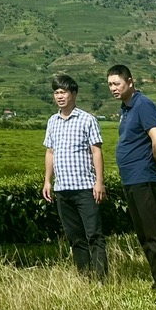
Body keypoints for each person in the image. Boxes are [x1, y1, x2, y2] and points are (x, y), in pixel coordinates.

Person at [107, 64, 156, 295]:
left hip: (143, 178)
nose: (113, 88)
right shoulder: (125, 108)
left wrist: (154, 164)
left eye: (117, 83)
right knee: (144, 234)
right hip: (131, 180)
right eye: (110, 84)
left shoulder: (143, 105)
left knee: (154, 233)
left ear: (130, 82)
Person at [42, 73, 107, 278]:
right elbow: (50, 152)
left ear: (74, 94)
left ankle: (100, 278)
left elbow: (96, 151)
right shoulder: (52, 121)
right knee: (75, 236)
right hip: (63, 189)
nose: (59, 96)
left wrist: (99, 182)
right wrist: (47, 181)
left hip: (86, 187)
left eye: (64, 92)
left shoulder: (87, 120)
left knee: (94, 234)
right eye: (56, 92)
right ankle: (84, 276)